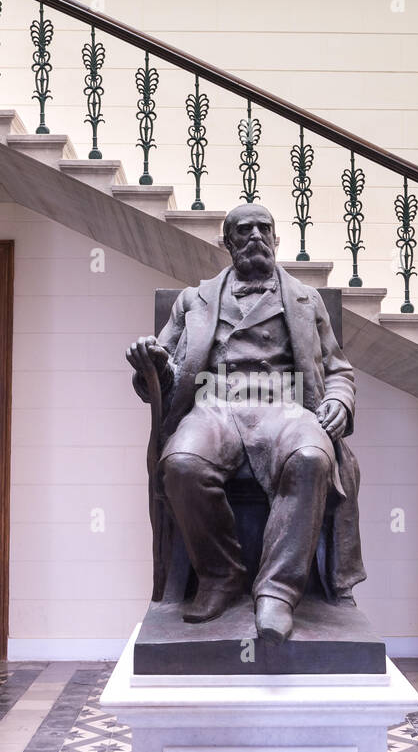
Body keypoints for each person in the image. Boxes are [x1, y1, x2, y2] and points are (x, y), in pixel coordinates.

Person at [126, 204, 365, 643]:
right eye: (244, 230)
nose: (255, 235)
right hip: (214, 404)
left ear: (276, 240)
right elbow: (160, 378)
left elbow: (338, 370)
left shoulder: (306, 300)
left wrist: (339, 401)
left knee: (312, 458)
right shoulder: (191, 300)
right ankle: (221, 575)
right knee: (180, 464)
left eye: (264, 229)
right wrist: (151, 364)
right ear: (228, 243)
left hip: (286, 404)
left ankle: (277, 591)